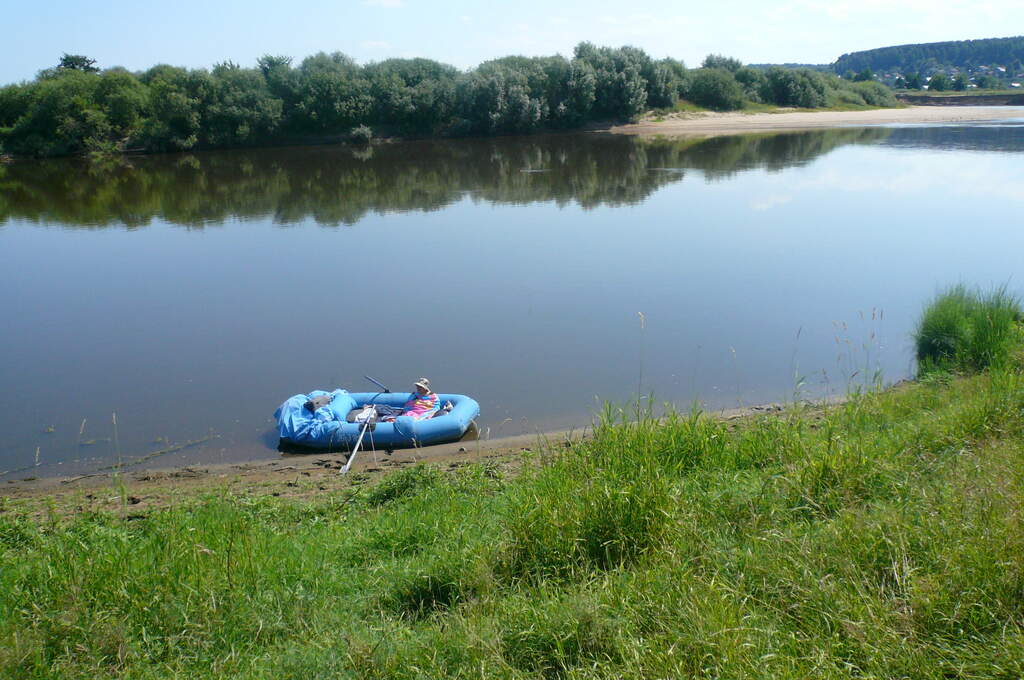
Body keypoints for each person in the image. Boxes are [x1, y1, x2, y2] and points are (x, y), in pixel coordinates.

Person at [371, 378, 440, 422]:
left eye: (420, 387)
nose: (418, 388)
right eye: (417, 386)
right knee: (388, 411)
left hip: (421, 414)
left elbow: (435, 408)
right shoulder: (415, 395)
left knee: (410, 417)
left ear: (425, 388)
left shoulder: (433, 397)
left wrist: (424, 413)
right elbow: (408, 405)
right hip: (410, 412)